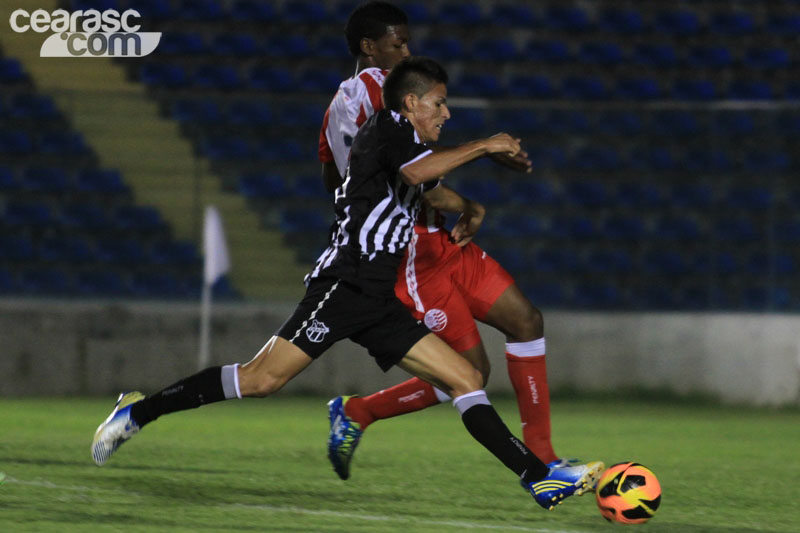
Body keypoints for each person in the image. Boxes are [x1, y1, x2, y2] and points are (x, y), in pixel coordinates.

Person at [92, 56, 601, 511]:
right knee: (261, 380)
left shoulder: (410, 144)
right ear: (412, 101)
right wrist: (487, 145)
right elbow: (422, 169)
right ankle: (140, 411)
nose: (446, 114)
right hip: (345, 284)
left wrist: (469, 207)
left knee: (465, 379)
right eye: (440, 103)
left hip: (378, 299)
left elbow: (430, 187)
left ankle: (538, 478)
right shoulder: (388, 127)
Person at [319, 1, 588, 482]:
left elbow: (353, 175)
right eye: (398, 42)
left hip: (440, 239)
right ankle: (359, 412)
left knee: (525, 320)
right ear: (369, 47)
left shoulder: (361, 102)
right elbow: (407, 171)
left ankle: (545, 456)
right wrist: (482, 150)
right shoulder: (373, 95)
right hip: (411, 258)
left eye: (407, 41)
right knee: (469, 374)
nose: (407, 49)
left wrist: (464, 204)